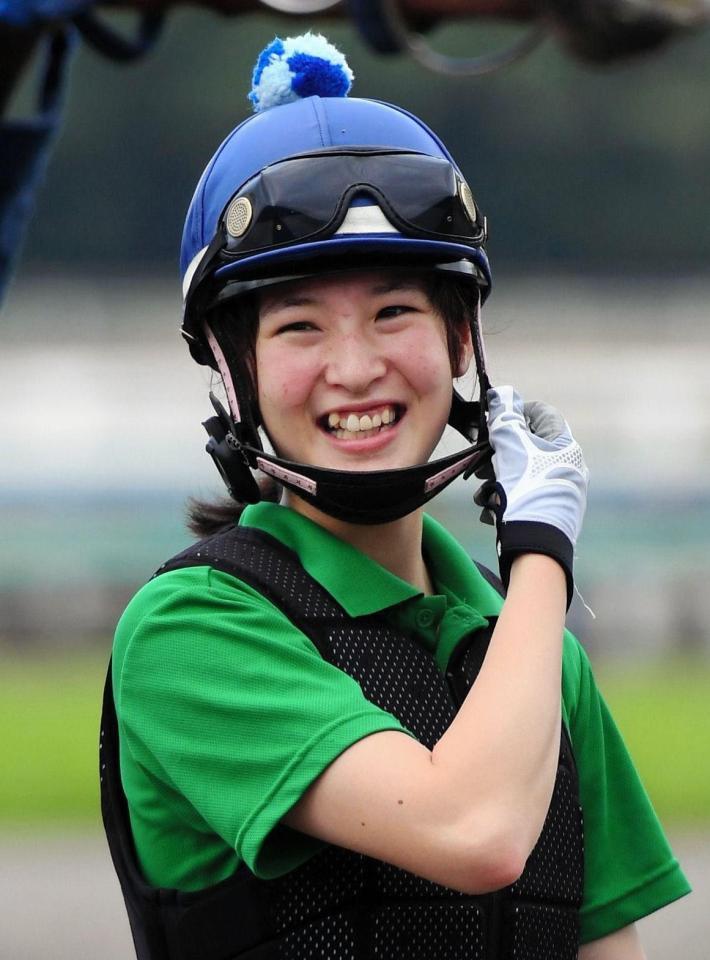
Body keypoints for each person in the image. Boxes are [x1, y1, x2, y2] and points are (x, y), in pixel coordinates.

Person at [101, 32, 690, 960]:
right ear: (231, 373)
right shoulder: (189, 630)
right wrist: (540, 554)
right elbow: (475, 833)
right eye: (299, 326)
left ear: (462, 343)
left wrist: (528, 599)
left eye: (395, 312)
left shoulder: (533, 655)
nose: (356, 368)